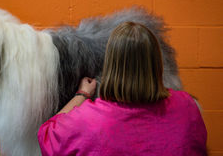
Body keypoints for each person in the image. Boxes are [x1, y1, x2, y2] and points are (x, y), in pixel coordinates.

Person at [37, 22, 207, 156]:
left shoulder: (89, 120)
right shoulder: (187, 107)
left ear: (111, 65)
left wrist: (82, 94)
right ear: (157, 63)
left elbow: (47, 137)